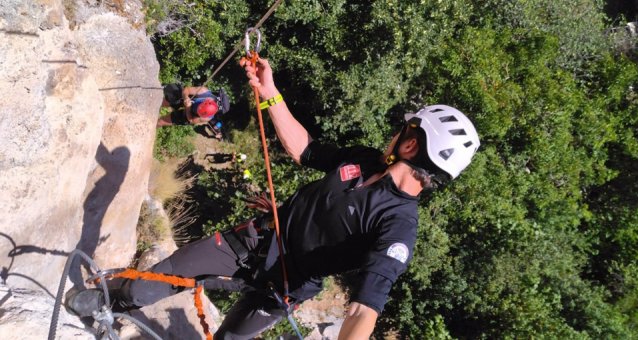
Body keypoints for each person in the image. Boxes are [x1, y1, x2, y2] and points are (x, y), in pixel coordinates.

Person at [66, 58, 480, 339]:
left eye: (406, 130)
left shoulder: (398, 226)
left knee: (229, 337)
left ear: (411, 146)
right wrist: (271, 92)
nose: (396, 132)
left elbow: (363, 309)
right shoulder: (364, 158)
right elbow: (305, 150)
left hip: (286, 286)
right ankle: (107, 300)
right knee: (156, 281)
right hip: (253, 241)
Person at [157, 84, 231, 130]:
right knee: (163, 101)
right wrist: (186, 97)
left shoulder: (208, 117)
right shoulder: (203, 91)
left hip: (190, 114)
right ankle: (155, 105)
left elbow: (191, 120)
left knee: (161, 122)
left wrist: (188, 108)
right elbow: (187, 89)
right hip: (186, 99)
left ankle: (153, 126)